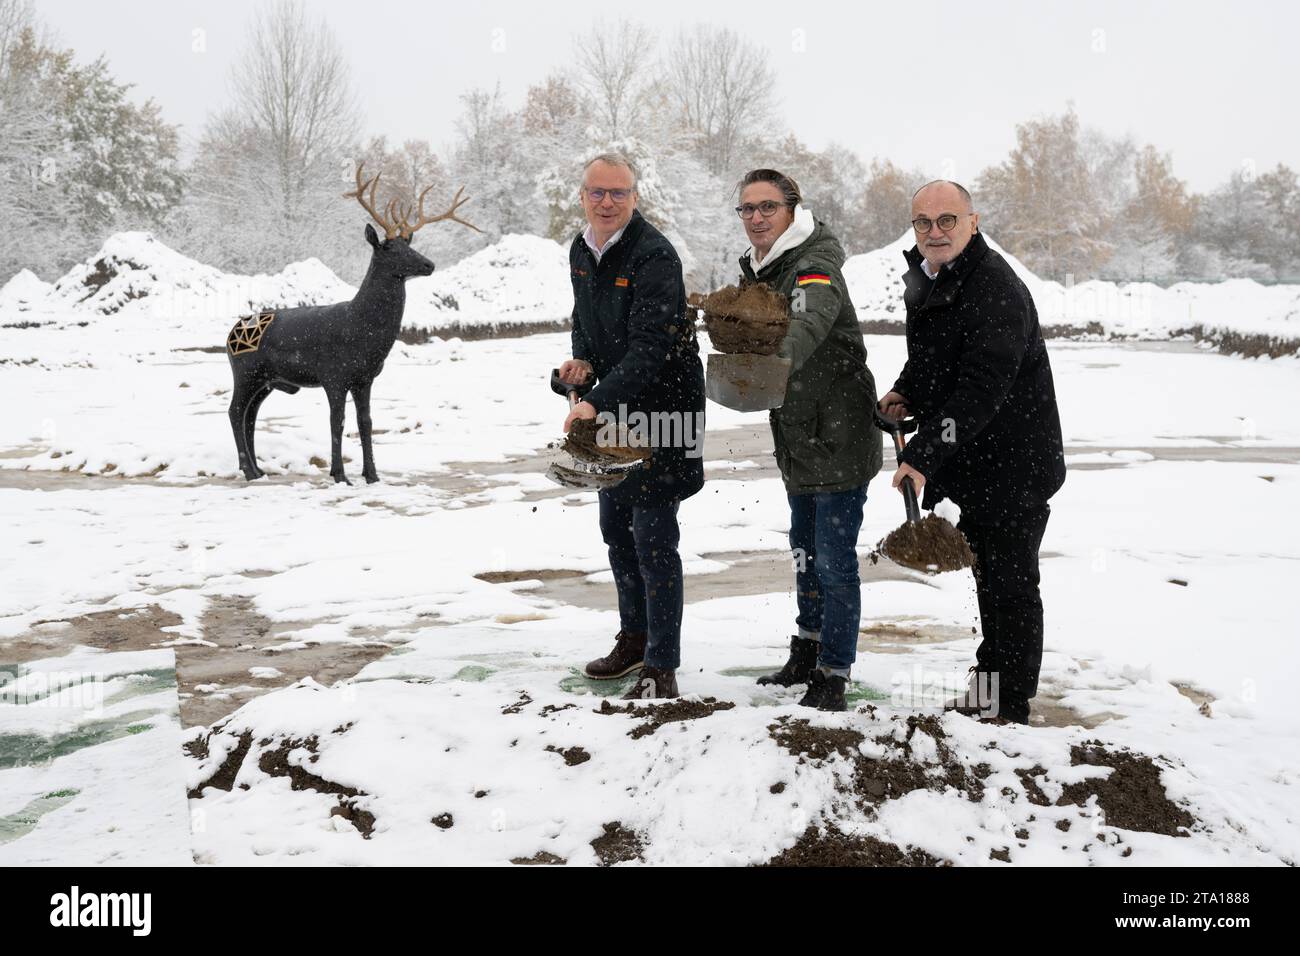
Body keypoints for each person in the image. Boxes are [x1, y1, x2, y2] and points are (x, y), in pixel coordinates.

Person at [879, 180, 1066, 725]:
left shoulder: (996, 290)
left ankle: (1007, 704)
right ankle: (991, 691)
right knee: (990, 578)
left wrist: (922, 454)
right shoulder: (928, 276)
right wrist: (905, 390)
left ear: (973, 221)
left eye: (947, 220)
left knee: (1010, 585)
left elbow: (981, 389)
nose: (934, 231)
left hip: (1016, 464)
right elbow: (933, 358)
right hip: (977, 464)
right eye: (923, 222)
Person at [733, 168, 884, 712]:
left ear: (793, 210)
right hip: (798, 433)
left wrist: (776, 360)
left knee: (835, 560)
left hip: (839, 431)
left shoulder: (814, 264)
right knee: (803, 550)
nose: (756, 218)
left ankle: (834, 672)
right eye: (747, 209)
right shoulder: (760, 270)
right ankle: (808, 646)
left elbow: (809, 319)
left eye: (767, 207)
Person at [557, 153, 705, 700]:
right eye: (597, 192)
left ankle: (662, 663)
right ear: (583, 196)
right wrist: (582, 362)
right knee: (616, 527)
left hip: (666, 411)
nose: (607, 202)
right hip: (616, 405)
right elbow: (585, 319)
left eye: (618, 193)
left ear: (634, 198)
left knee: (653, 536)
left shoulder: (654, 256)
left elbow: (652, 348)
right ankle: (635, 640)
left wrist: (594, 402)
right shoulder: (580, 250)